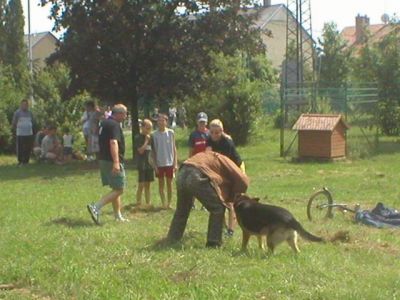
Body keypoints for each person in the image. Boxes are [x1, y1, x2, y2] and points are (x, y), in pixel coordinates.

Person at [166, 151, 249, 248]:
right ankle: (213, 243)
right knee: (217, 208)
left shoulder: (210, 156)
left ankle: (172, 239)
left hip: (182, 172)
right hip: (195, 175)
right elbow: (243, 180)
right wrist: (235, 195)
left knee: (182, 210)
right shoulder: (227, 162)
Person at [87, 104, 129, 224]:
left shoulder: (104, 123)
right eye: (125, 114)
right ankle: (96, 207)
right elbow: (113, 143)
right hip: (112, 160)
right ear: (119, 114)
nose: (126, 116)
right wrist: (116, 162)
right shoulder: (114, 125)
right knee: (120, 189)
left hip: (103, 159)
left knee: (115, 188)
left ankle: (118, 216)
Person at [206, 119, 244, 237]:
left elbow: (226, 163)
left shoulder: (227, 142)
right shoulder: (209, 140)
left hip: (235, 168)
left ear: (222, 131)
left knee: (231, 201)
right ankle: (223, 227)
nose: (214, 135)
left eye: (217, 132)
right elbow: (208, 156)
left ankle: (231, 230)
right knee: (219, 200)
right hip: (220, 170)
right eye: (212, 132)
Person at [151, 113, 178, 209]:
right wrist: (155, 165)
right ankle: (163, 203)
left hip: (169, 162)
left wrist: (175, 163)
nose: (161, 122)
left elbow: (174, 148)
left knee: (169, 184)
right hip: (159, 163)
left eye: (163, 120)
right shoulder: (154, 135)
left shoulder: (171, 133)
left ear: (166, 122)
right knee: (161, 184)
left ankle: (169, 203)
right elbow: (153, 151)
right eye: (159, 120)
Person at [134, 119, 154, 207]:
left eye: (150, 128)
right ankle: (138, 202)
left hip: (149, 164)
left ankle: (148, 202)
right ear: (142, 127)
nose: (149, 130)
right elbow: (140, 151)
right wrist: (146, 141)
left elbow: (152, 151)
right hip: (141, 164)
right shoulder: (138, 137)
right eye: (147, 128)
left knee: (148, 185)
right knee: (141, 184)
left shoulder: (151, 137)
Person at [12, 99, 35, 165]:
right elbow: (14, 123)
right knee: (20, 148)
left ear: (28, 105)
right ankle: (20, 161)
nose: (25, 106)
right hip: (20, 133)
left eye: (26, 105)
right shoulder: (17, 113)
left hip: (29, 133)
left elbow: (33, 122)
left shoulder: (30, 113)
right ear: (21, 105)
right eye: (23, 104)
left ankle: (26, 161)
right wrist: (16, 129)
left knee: (28, 147)